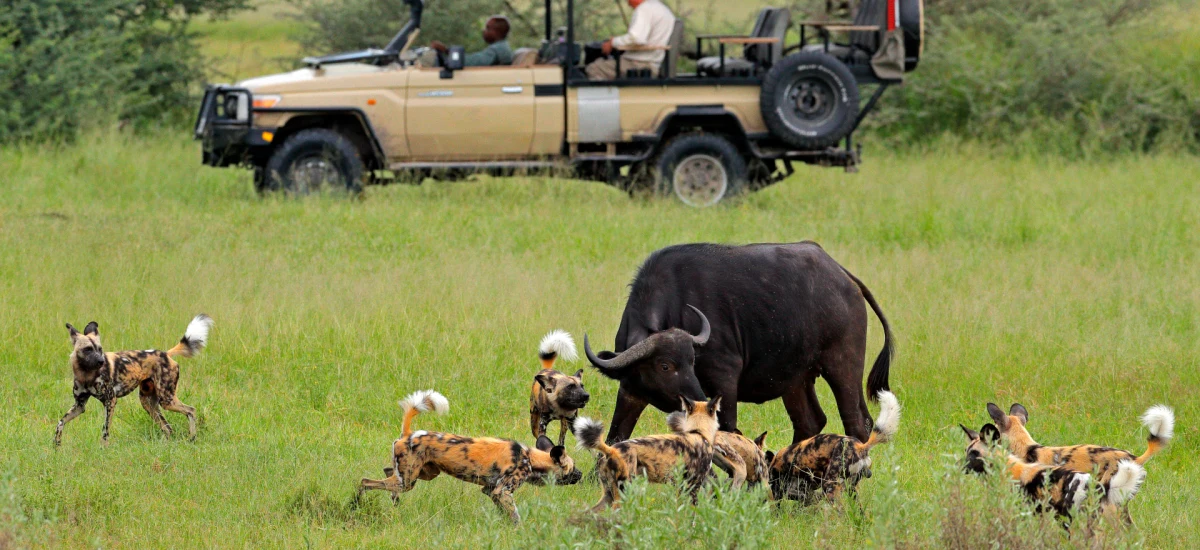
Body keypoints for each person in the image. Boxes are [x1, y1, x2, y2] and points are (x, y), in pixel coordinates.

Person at [586, 0, 676, 81]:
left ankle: (607, 99)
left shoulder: (644, 9)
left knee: (594, 68)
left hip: (640, 64)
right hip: (653, 63)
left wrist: (612, 43)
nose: (628, 4)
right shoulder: (661, 8)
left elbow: (636, 38)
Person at [430, 16, 513, 67]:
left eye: (488, 28)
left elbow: (472, 62)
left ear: (497, 32)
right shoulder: (500, 47)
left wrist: (447, 51)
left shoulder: (498, 49)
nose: (484, 31)